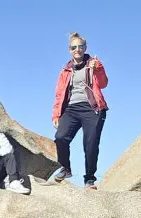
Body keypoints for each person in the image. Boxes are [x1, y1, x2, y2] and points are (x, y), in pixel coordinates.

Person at [51, 32, 109, 190]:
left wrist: (98, 69)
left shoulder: (93, 64)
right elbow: (59, 94)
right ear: (69, 50)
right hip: (71, 109)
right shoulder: (65, 70)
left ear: (85, 48)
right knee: (60, 137)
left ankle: (89, 180)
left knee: (90, 144)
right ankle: (66, 168)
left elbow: (103, 84)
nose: (77, 49)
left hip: (92, 108)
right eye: (74, 47)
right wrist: (56, 114)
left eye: (80, 46)